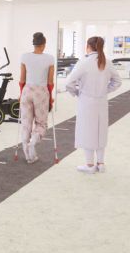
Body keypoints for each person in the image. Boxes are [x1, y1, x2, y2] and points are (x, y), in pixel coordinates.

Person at [65, 36, 122, 173]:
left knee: (87, 131)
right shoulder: (107, 62)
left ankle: (90, 165)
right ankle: (101, 163)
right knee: (100, 131)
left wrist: (76, 92)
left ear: (88, 46)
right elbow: (118, 82)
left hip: (86, 102)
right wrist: (105, 90)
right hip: (102, 101)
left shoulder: (83, 62)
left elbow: (68, 83)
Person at [18, 32, 55, 164]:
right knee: (41, 123)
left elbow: (22, 80)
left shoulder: (25, 57)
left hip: (27, 91)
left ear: (34, 44)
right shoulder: (50, 59)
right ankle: (33, 142)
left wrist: (21, 94)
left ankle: (28, 156)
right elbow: (50, 82)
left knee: (26, 123)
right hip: (41, 92)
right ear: (43, 45)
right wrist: (50, 98)